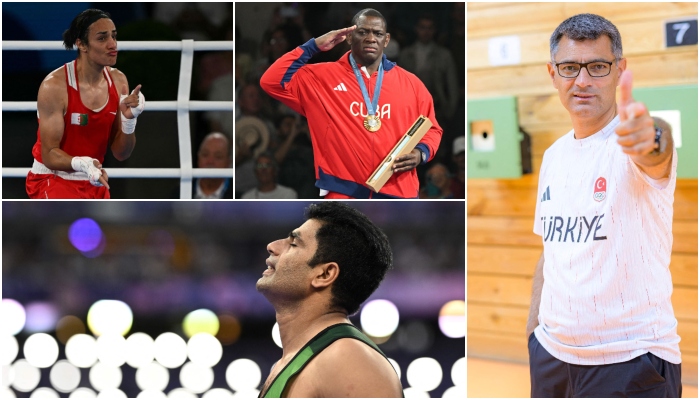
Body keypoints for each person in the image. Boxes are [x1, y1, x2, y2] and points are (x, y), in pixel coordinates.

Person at [527, 14, 680, 397]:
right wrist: (535, 331)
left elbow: (656, 147)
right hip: (552, 357)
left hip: (630, 360)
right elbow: (550, 250)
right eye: (569, 68)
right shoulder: (554, 155)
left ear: (619, 69)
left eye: (597, 67)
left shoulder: (631, 146)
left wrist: (652, 135)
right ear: (552, 72)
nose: (582, 81)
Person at [260, 8, 442, 199]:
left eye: (378, 33)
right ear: (348, 37)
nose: (371, 38)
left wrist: (420, 153)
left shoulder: (411, 84)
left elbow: (432, 129)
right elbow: (271, 81)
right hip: (342, 190)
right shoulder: (320, 78)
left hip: (398, 189)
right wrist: (313, 46)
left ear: (386, 40)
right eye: (363, 32)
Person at [256, 202, 402, 397]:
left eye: (293, 244)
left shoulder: (347, 358)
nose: (272, 246)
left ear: (324, 274)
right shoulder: (296, 359)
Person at [26, 9, 145, 199]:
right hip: (52, 178)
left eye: (114, 36)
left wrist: (130, 121)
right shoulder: (55, 86)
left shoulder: (119, 81)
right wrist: (83, 164)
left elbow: (121, 153)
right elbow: (49, 154)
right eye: (102, 38)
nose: (112, 44)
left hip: (94, 178)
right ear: (82, 44)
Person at [398, 15, 459, 125]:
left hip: (438, 110)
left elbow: (452, 86)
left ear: (434, 30)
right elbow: (398, 86)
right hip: (411, 111)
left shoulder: (444, 55)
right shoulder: (406, 55)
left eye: (430, 28)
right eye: (422, 27)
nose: (426, 32)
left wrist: (449, 112)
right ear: (416, 29)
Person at [193, 132, 233, 199]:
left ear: (228, 162)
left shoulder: (237, 197)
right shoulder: (179, 192)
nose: (210, 161)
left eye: (218, 157)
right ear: (198, 158)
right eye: (205, 155)